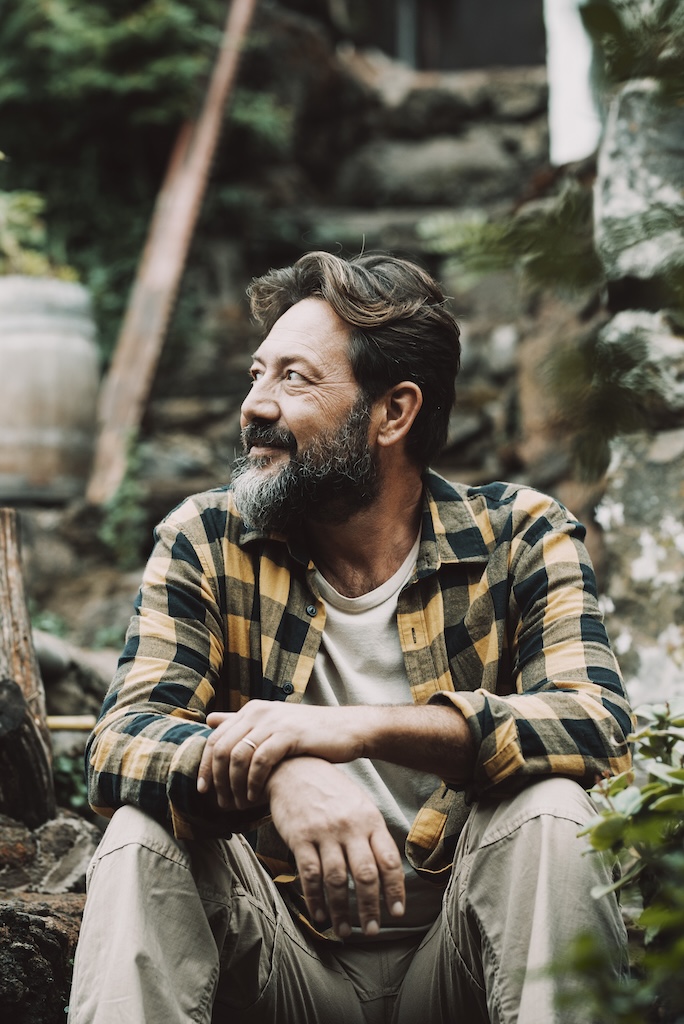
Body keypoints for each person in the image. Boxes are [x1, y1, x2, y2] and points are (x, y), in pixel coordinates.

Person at [68, 251, 632, 1024]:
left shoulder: (520, 537)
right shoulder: (207, 537)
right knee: (140, 836)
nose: (255, 405)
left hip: (463, 961)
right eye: (257, 374)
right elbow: (119, 742)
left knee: (554, 809)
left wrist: (347, 730)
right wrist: (279, 771)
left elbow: (594, 726)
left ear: (393, 413)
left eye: (294, 379)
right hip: (284, 964)